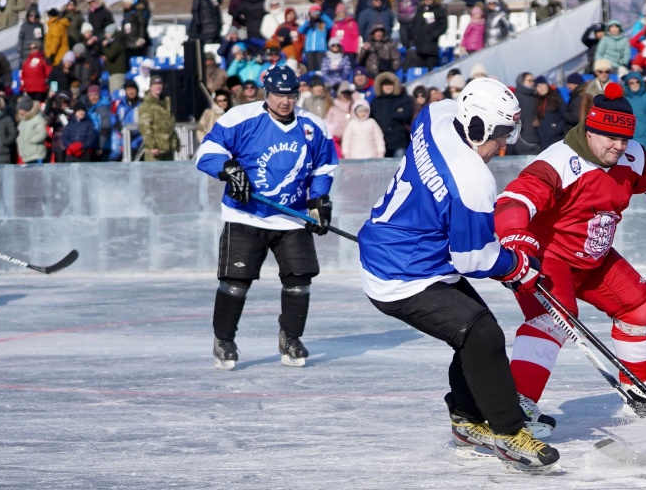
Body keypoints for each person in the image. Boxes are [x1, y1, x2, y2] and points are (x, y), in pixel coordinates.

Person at [356, 78, 555, 468]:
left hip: (408, 251)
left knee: (474, 336)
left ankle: (466, 418)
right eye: (499, 137)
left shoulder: (438, 115)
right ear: (476, 126)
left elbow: (440, 111)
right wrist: (517, 266)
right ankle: (509, 432)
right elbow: (474, 259)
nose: (502, 147)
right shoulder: (472, 179)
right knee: (482, 335)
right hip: (401, 274)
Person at [493, 82, 646, 419]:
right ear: (590, 130)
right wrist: (515, 239)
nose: (618, 146)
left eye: (624, 138)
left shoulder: (631, 155)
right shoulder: (559, 162)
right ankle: (515, 406)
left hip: (595, 256)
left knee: (640, 308)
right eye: (610, 137)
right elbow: (513, 200)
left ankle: (635, 388)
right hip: (549, 258)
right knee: (552, 320)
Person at [195, 64, 338, 371]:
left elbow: (324, 167)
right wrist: (229, 170)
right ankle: (224, 340)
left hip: (292, 217)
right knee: (236, 282)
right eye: (278, 95)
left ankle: (291, 337)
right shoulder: (241, 118)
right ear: (266, 94)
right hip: (246, 215)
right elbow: (206, 151)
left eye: (290, 95)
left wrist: (319, 203)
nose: (285, 101)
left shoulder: (314, 126)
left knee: (300, 279)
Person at [139, 77, 178, 160]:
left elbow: (170, 125)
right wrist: (152, 146)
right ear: (150, 87)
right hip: (155, 152)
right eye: (155, 84)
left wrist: (176, 143)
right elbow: (145, 128)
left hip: (168, 150)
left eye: (160, 84)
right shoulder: (147, 105)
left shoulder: (166, 104)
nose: (158, 86)